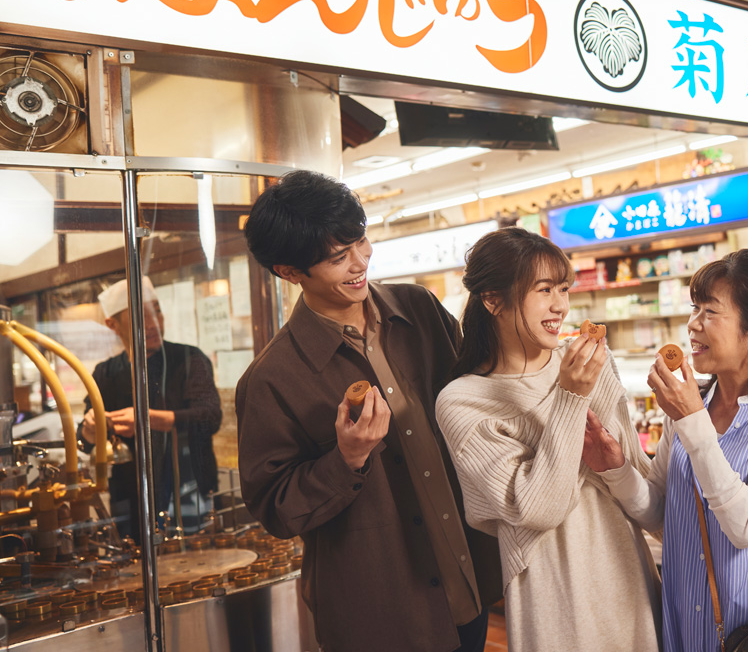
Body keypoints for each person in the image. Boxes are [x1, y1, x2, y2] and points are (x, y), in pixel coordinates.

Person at [235, 170, 501, 652]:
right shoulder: (271, 378)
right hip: (383, 612)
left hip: (472, 578)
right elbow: (276, 510)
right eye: (338, 257)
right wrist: (347, 459)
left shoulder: (418, 309)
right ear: (290, 272)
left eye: (361, 241)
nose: (359, 263)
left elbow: (477, 394)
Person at [583, 248, 748, 651]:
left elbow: (747, 526)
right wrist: (616, 468)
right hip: (683, 619)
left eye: (710, 313)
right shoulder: (688, 406)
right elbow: (663, 515)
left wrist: (693, 422)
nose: (693, 325)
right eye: (694, 309)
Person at [434, 227, 661, 652]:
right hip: (555, 590)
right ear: (492, 300)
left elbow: (638, 474)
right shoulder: (463, 400)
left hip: (626, 566)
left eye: (564, 288)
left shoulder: (592, 360)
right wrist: (571, 397)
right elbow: (540, 508)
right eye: (543, 290)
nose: (560, 305)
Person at [79, 277, 222, 539]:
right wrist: (90, 428)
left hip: (189, 489)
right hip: (130, 500)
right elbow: (83, 442)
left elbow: (209, 418)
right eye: (141, 316)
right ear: (112, 324)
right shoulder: (105, 373)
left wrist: (146, 420)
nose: (154, 322)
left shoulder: (189, 359)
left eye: (156, 310)